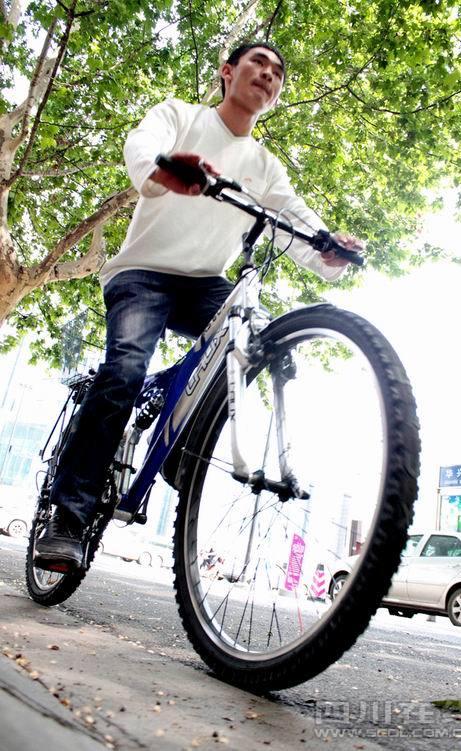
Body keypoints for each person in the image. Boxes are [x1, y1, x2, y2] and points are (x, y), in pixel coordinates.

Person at [34, 42, 365, 571]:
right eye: (259, 63)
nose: (269, 74)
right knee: (124, 371)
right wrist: (161, 169)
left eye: (278, 72)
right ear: (228, 72)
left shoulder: (266, 167)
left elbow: (298, 221)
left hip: (204, 284)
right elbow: (142, 144)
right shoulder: (181, 117)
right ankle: (67, 518)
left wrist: (329, 248)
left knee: (255, 337)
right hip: (141, 273)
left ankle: (183, 449)